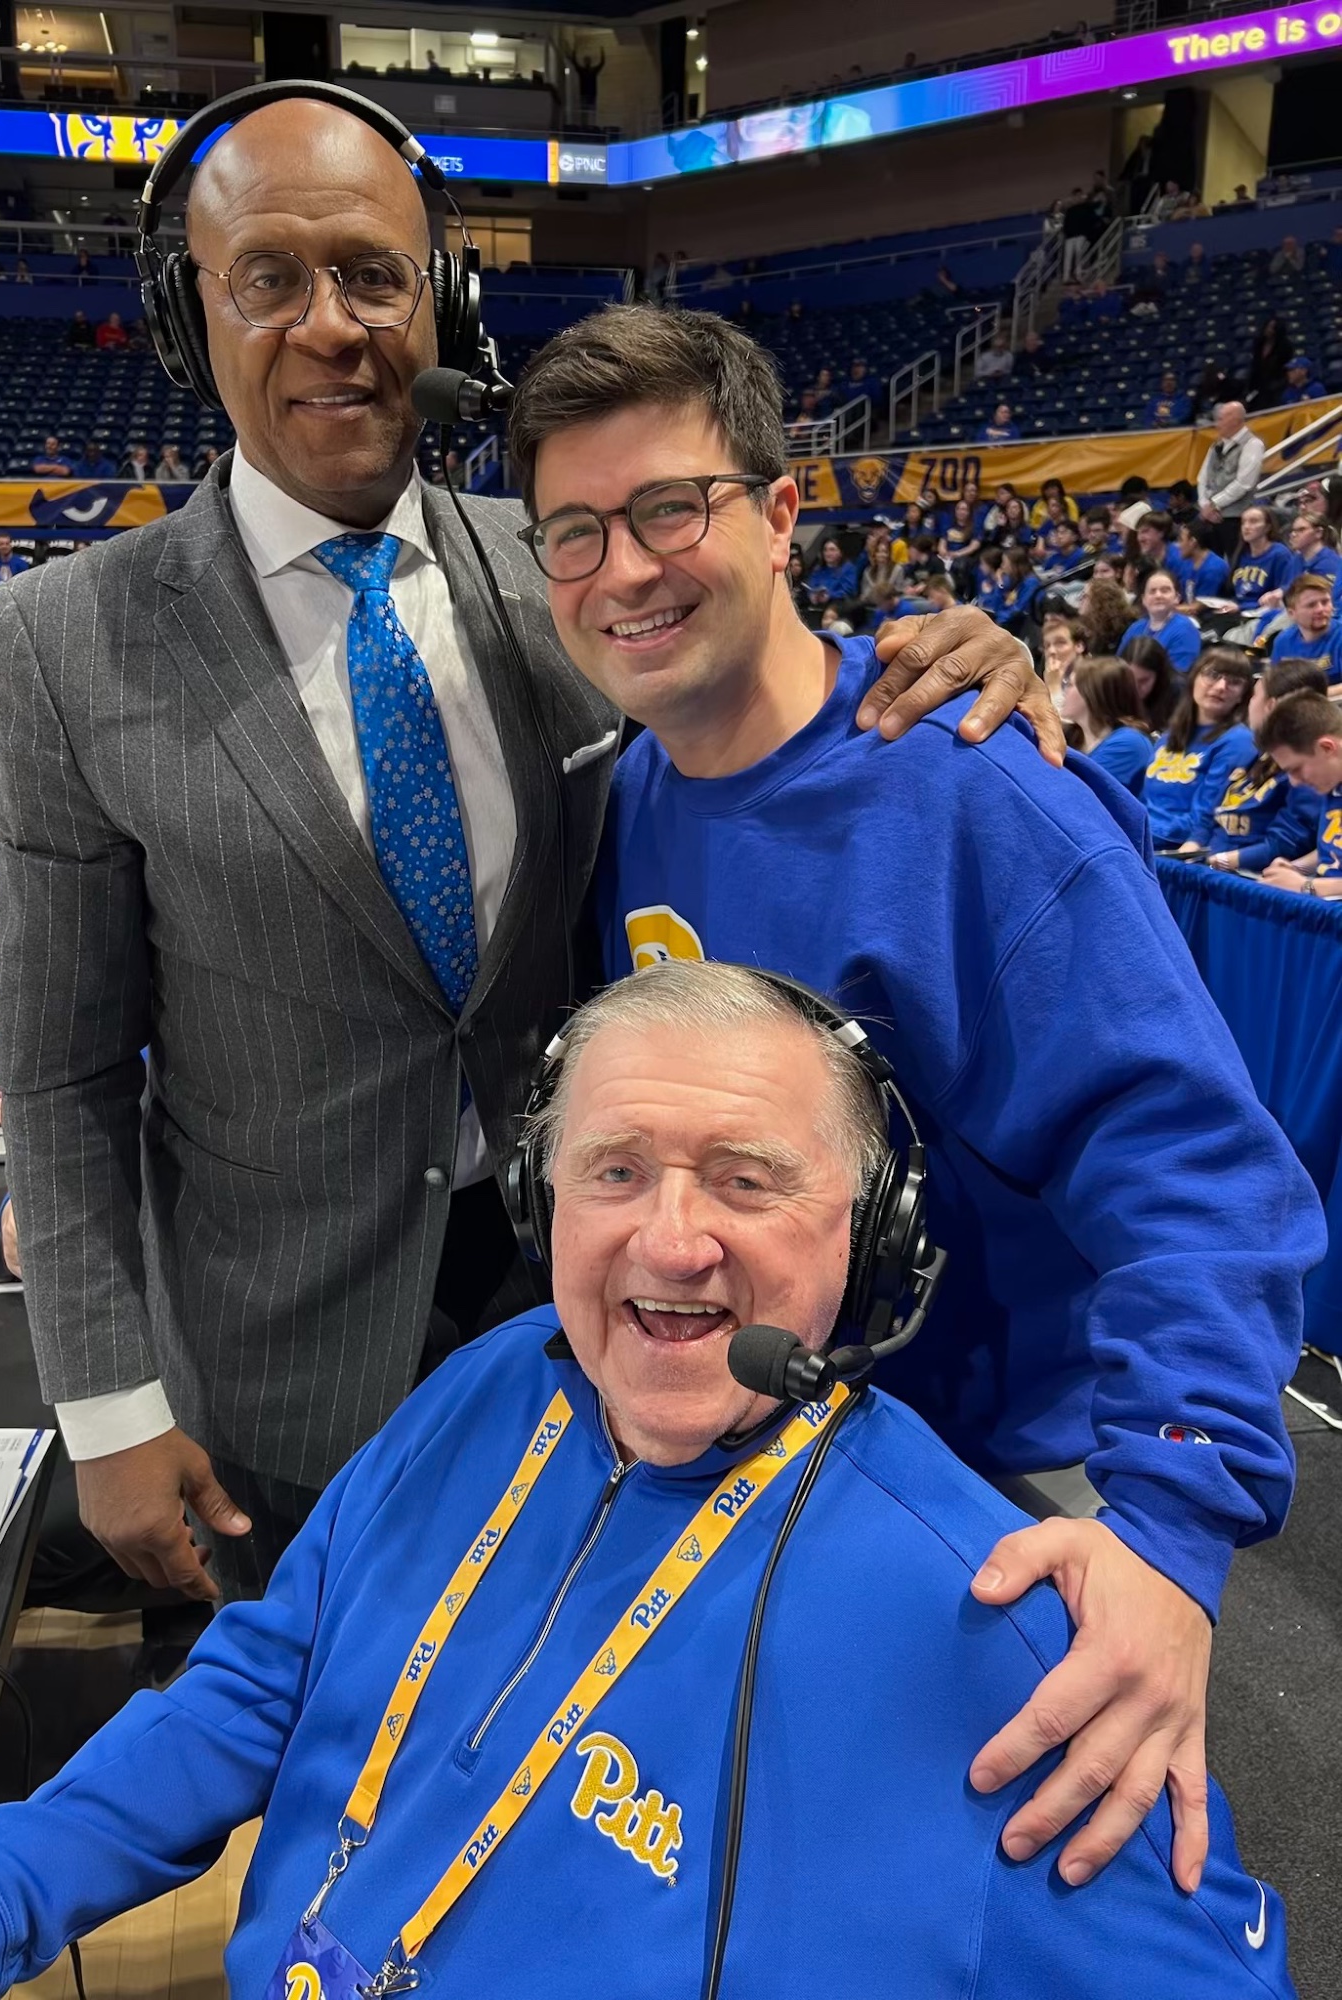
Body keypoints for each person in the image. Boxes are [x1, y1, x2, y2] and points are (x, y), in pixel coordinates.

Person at [0, 96, 1045, 1615]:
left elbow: (758, 681)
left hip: (591, 1324)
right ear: (186, 317)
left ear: (444, 304)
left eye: (373, 276)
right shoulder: (66, 637)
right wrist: (105, 1407)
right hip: (275, 1375)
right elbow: (66, 1071)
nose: (331, 326)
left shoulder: (563, 565)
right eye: (268, 279)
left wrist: (946, 656)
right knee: (312, 1737)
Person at [0, 963, 1302, 2000]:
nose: (669, 1242)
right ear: (544, 1202)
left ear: (871, 1232)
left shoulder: (1001, 1625)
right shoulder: (494, 1385)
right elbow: (263, 1685)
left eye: (746, 1177)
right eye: (615, 1172)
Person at [508, 300, 1321, 1889]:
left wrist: (1168, 1533)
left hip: (989, 1485)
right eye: (577, 533)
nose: (625, 569)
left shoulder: (973, 791)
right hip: (775, 1464)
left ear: (781, 513)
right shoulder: (635, 788)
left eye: (672, 508)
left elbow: (1200, 1174)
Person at [1205, 659, 1329, 873]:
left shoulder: (1308, 768)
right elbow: (1211, 812)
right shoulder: (1254, 753)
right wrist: (1195, 846)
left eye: (1254, 695)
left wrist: (1223, 860)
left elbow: (1287, 843)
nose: (1249, 704)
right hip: (1216, 863)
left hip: (1252, 875)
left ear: (1271, 706)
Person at [1142, 647, 1255, 847]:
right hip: (1144, 833)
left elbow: (1206, 814)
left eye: (1234, 682)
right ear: (1194, 679)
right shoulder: (1170, 736)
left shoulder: (1239, 741)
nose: (1221, 686)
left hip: (1175, 844)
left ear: (1242, 696)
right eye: (1213, 675)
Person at [1256, 691, 1342, 896]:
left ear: (1327, 748)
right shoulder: (1332, 780)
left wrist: (1306, 886)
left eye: (1296, 769)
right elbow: (1332, 849)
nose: (1294, 782)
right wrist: (1295, 869)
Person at [1060, 655, 1150, 791]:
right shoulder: (1072, 735)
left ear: (1092, 694)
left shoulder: (1129, 743)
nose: (1064, 691)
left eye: (1070, 685)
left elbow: (1073, 790)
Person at [1198, 403, 1264, 556]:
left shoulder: (1253, 444)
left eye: (1220, 419)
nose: (1217, 424)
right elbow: (1202, 478)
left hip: (1236, 518)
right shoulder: (1215, 446)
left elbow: (1244, 483)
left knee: (1235, 561)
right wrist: (1204, 505)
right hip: (1210, 516)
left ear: (1235, 420)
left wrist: (1214, 504)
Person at [1118, 568, 1202, 673]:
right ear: (1144, 599)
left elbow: (1178, 676)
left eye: (1165, 590)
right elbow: (1119, 666)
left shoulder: (1186, 630)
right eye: (1152, 591)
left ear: (1177, 598)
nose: (1158, 595)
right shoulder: (1135, 628)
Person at [1268, 574, 1342, 682]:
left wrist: (1309, 692)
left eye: (1325, 602)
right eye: (1311, 605)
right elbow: (1273, 683)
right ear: (1291, 613)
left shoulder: (1339, 637)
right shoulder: (1282, 642)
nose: (1320, 609)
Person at [1231, 505, 1299, 618]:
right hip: (1237, 610)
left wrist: (1240, 607)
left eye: (1253, 521)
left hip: (1264, 613)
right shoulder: (1241, 553)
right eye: (1243, 522)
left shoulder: (1279, 554)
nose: (1246, 527)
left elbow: (1283, 593)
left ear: (1268, 527)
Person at [1285, 508, 1342, 590]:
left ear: (1318, 533)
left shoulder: (1329, 563)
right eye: (1293, 530)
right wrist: (1281, 591)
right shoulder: (1297, 559)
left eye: (1301, 530)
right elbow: (1288, 587)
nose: (1293, 534)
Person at [1175, 519, 1230, 602]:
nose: (1178, 545)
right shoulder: (1186, 563)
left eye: (1181, 540)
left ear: (1193, 542)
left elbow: (1200, 605)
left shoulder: (1214, 568)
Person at [1039, 613, 1085, 711]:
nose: (1051, 651)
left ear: (1079, 646)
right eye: (1047, 646)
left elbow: (1065, 720)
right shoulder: (1054, 676)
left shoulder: (1092, 680)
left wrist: (1054, 688)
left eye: (1060, 642)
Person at [1246, 317, 1292, 410]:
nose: (1268, 330)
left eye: (1272, 327)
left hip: (1276, 384)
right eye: (1268, 326)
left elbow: (1284, 367)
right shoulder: (1259, 343)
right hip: (1259, 383)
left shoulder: (1285, 346)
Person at [805, 533, 856, 609]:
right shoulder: (818, 569)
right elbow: (812, 586)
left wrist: (830, 596)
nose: (828, 553)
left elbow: (848, 591)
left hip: (839, 605)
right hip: (818, 604)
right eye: (825, 550)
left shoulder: (848, 568)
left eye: (832, 550)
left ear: (840, 552)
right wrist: (812, 595)